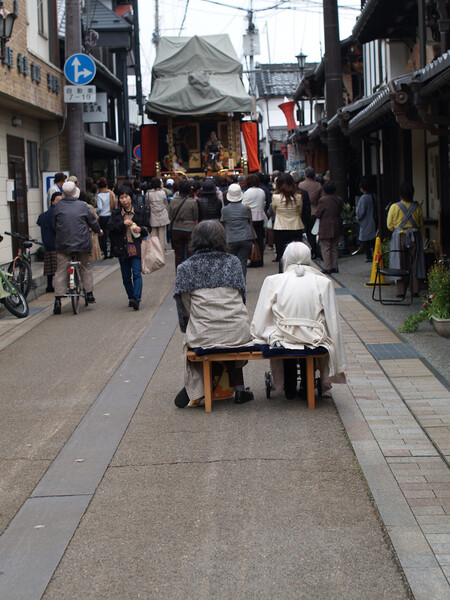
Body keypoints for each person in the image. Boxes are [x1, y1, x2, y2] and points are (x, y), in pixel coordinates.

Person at [173, 220, 254, 408]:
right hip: (238, 332)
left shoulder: (184, 268)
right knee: (227, 333)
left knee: (203, 338)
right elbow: (241, 297)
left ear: (195, 240)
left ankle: (197, 387)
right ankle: (240, 389)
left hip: (204, 333)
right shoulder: (233, 263)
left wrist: (189, 327)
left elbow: (184, 307)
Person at [251, 241, 347, 399]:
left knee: (284, 338)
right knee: (309, 340)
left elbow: (262, 316)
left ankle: (288, 387)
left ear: (285, 259)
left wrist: (259, 333)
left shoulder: (273, 281)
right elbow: (332, 320)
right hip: (314, 336)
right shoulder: (323, 282)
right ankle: (306, 385)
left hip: (284, 335)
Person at [53, 181, 102, 314]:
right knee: (85, 266)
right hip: (82, 243)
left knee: (61, 269)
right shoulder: (83, 205)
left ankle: (57, 299)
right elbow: (92, 222)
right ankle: (89, 293)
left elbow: (54, 224)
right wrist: (98, 230)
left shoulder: (58, 206)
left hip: (63, 244)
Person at [108, 186, 150, 310]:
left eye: (126, 197)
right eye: (121, 197)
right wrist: (122, 223)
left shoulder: (140, 211)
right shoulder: (116, 214)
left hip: (136, 246)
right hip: (122, 248)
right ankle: (131, 296)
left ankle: (136, 299)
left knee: (137, 273)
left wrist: (140, 229)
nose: (124, 200)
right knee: (126, 277)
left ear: (131, 197)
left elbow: (148, 228)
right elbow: (110, 229)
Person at [387, 181, 425, 297]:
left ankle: (400, 290)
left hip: (400, 237)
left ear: (401, 194)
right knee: (415, 262)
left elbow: (390, 225)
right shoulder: (417, 207)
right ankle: (415, 289)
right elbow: (420, 224)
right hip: (414, 237)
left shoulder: (394, 207)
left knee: (400, 263)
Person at [221, 183, 253, 279]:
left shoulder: (224, 210)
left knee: (231, 261)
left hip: (231, 238)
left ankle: (232, 281)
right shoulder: (246, 208)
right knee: (243, 261)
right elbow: (249, 221)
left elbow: (224, 222)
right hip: (246, 237)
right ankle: (242, 282)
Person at [271, 172, 304, 268]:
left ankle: (283, 273)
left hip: (280, 227)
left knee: (282, 255)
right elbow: (299, 212)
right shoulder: (298, 197)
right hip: (296, 226)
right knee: (296, 255)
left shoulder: (275, 197)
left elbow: (275, 211)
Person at [168, 179, 199, 270]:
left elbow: (170, 216)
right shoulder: (192, 202)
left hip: (176, 229)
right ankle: (190, 274)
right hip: (189, 229)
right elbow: (195, 217)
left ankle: (179, 275)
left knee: (178, 255)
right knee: (190, 254)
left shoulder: (173, 201)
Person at [316, 180, 343, 274]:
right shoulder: (339, 199)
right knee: (334, 247)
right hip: (337, 224)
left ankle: (327, 267)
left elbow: (318, 214)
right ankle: (335, 267)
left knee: (326, 248)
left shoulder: (323, 200)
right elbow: (340, 210)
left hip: (325, 226)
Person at [37, 191, 61, 293]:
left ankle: (49, 286)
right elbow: (56, 227)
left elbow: (39, 222)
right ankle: (59, 287)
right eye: (58, 200)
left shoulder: (44, 214)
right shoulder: (56, 214)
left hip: (47, 243)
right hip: (57, 243)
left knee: (50, 268)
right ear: (52, 202)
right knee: (59, 268)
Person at [299, 167, 324, 258]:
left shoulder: (301, 185)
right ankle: (315, 251)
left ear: (305, 175)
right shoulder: (318, 185)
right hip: (315, 211)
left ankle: (306, 252)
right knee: (312, 233)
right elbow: (321, 199)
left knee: (304, 233)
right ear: (314, 175)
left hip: (303, 211)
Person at [242, 174, 266, 267]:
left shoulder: (248, 192)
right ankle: (260, 259)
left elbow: (244, 204)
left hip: (250, 218)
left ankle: (253, 259)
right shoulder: (261, 191)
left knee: (252, 240)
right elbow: (264, 203)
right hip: (260, 217)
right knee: (259, 240)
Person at [356, 176, 377, 262]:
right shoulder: (373, 196)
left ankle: (369, 256)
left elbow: (360, 212)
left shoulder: (363, 198)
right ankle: (374, 254)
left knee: (365, 239)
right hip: (372, 219)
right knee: (372, 238)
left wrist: (357, 216)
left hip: (365, 221)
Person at [145, 177, 170, 251]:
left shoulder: (148, 194)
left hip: (152, 216)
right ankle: (161, 253)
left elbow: (146, 205)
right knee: (162, 236)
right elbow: (166, 203)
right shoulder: (162, 193)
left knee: (153, 236)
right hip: (162, 215)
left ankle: (155, 253)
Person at [96, 177, 116, 259]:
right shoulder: (110, 193)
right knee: (112, 235)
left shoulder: (99, 195)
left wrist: (94, 209)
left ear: (99, 187)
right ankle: (112, 252)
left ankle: (105, 253)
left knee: (103, 235)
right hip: (110, 215)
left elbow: (100, 207)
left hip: (103, 217)